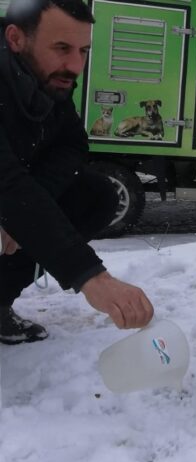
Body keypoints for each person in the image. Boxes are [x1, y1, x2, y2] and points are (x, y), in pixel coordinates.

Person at [0, 0, 154, 345]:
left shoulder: (48, 77)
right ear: (15, 38)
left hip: (12, 191)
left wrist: (26, 207)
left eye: (83, 50)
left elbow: (73, 145)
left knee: (95, 196)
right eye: (61, 48)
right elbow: (5, 180)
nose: (75, 65)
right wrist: (90, 276)